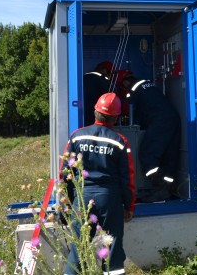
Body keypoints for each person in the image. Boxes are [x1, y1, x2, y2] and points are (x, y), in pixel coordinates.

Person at [61, 92, 136, 275]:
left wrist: (67, 204)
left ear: (95, 111)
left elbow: (65, 173)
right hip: (109, 200)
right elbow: (128, 177)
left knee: (78, 249)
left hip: (81, 197)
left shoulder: (76, 136)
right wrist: (129, 205)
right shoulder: (119, 141)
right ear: (115, 117)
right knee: (111, 250)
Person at [119, 73, 181, 202]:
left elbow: (126, 109)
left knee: (147, 155)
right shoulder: (147, 82)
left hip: (159, 121)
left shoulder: (134, 89)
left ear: (125, 82)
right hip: (173, 118)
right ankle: (167, 189)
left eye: (122, 86)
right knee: (168, 157)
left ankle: (160, 187)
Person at [82, 61, 113, 126]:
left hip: (81, 112)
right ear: (104, 70)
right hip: (95, 113)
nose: (110, 76)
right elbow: (109, 97)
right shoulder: (101, 79)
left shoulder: (83, 77)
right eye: (111, 73)